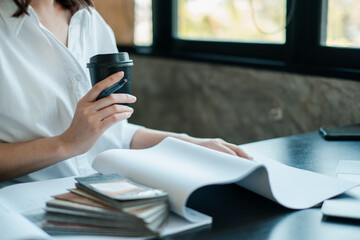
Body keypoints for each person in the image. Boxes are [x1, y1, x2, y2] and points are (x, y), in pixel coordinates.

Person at [0, 0, 251, 183]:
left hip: (109, 193)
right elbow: (78, 139)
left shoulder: (90, 19)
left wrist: (190, 145)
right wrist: (65, 144)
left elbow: (112, 134)